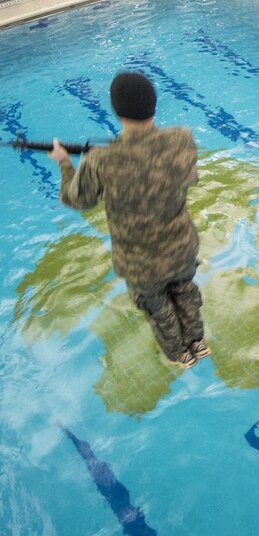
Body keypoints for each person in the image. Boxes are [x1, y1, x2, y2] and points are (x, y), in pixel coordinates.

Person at [48, 72, 208, 368]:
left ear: (116, 110)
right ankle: (198, 340)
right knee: (185, 290)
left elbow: (76, 199)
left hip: (141, 263)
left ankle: (179, 354)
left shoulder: (101, 161)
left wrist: (64, 163)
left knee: (157, 308)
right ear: (154, 105)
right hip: (182, 247)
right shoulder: (182, 139)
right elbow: (186, 175)